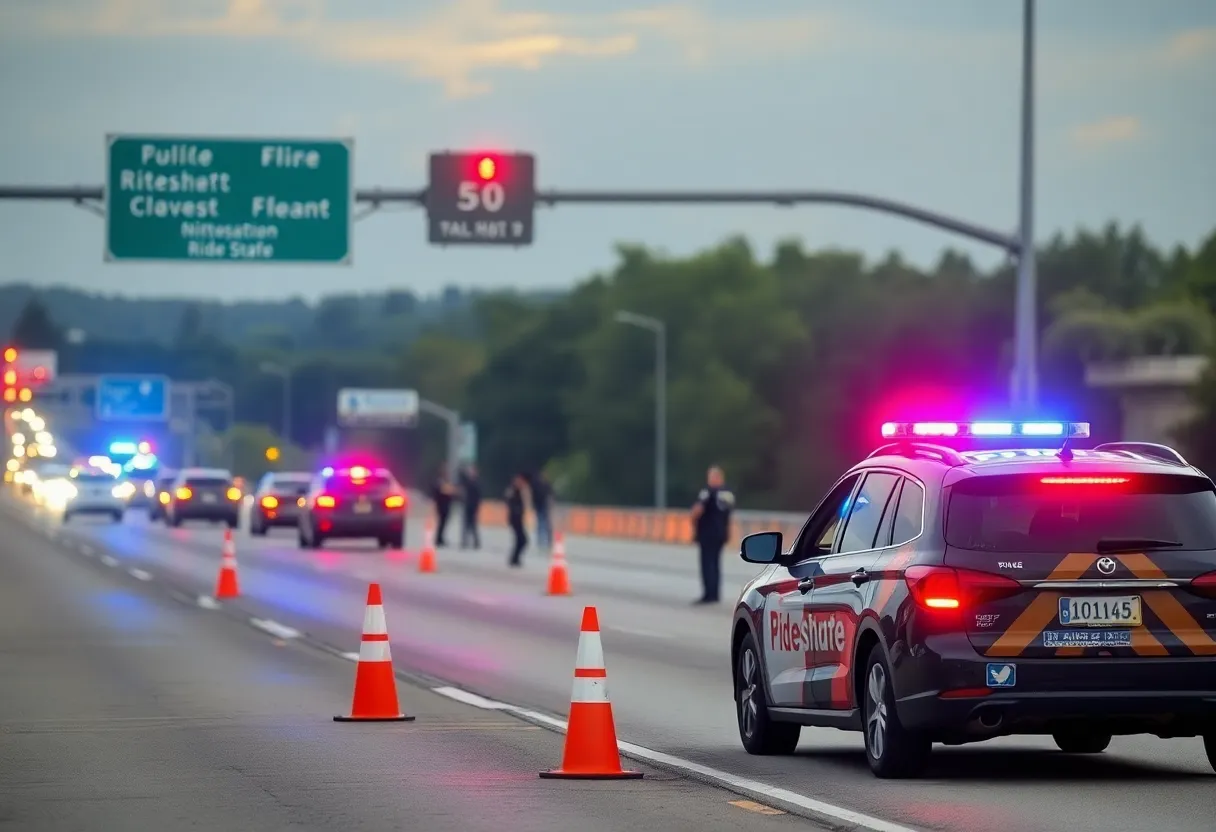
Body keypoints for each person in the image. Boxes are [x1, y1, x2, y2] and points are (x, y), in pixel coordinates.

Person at [690, 465, 735, 604]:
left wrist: (693, 521)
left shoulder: (707, 492)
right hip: (721, 533)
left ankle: (708, 594)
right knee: (716, 564)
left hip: (707, 533)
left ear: (715, 477)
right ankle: (715, 594)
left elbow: (698, 510)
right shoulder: (728, 494)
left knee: (706, 563)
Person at [504, 472, 529, 567]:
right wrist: (517, 510)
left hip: (518, 519)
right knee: (522, 539)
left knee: (521, 540)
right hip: (514, 519)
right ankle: (514, 558)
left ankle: (515, 558)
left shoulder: (519, 491)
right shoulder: (512, 491)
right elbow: (508, 501)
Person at [430, 472, 457, 547]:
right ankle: (438, 539)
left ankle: (440, 538)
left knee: (443, 523)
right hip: (442, 506)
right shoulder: (440, 483)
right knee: (441, 523)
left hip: (445, 506)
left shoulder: (444, 483)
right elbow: (444, 491)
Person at [458, 464, 481, 549]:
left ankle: (476, 542)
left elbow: (478, 496)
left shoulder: (476, 482)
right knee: (465, 525)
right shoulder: (468, 482)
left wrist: (477, 506)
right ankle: (464, 541)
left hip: (473, 506)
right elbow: (462, 481)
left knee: (473, 525)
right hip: (467, 505)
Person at [530, 470, 553, 549]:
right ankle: (541, 541)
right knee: (541, 524)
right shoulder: (539, 486)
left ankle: (546, 541)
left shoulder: (546, 485)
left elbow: (550, 496)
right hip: (539, 506)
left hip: (544, 507)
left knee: (545, 524)